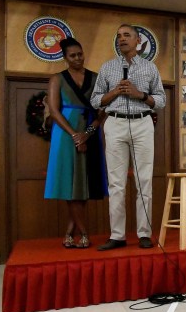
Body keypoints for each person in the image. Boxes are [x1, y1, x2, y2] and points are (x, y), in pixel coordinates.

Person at [90, 24, 166, 251]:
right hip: (114, 123)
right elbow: (95, 101)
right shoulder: (107, 68)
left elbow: (161, 101)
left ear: (137, 41)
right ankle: (117, 235)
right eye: (119, 36)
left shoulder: (150, 68)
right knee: (116, 183)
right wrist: (114, 92)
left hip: (142, 123)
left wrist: (139, 94)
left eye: (126, 35)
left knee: (144, 181)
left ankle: (144, 233)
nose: (122, 39)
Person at [44, 38, 108, 249]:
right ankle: (84, 233)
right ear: (65, 58)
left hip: (90, 133)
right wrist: (74, 135)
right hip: (65, 135)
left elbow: (103, 111)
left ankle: (70, 233)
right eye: (72, 55)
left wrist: (87, 134)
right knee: (70, 184)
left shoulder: (97, 78)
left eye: (80, 54)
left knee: (83, 184)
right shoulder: (57, 79)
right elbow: (54, 111)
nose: (78, 58)